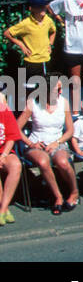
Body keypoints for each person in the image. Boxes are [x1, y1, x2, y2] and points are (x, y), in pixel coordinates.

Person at [16, 77, 79, 214]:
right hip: (37, 142)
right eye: (58, 89)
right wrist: (31, 143)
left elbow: (70, 131)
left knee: (62, 161)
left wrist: (57, 142)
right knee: (43, 161)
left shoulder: (64, 103)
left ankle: (74, 192)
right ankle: (58, 197)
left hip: (58, 141)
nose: (61, 92)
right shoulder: (33, 103)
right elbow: (16, 128)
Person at [4, 0, 57, 79]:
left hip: (46, 60)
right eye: (39, 7)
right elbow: (7, 33)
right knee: (31, 89)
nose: (43, 8)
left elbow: (53, 31)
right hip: (32, 62)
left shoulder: (48, 20)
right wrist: (21, 44)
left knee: (46, 87)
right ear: (31, 8)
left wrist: (50, 44)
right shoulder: (26, 24)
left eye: (43, 6)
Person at [0, 93, 21, 226]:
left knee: (16, 165)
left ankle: (2, 209)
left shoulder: (4, 111)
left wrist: (3, 155)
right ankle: (5, 209)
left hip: (4, 151)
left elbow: (12, 136)